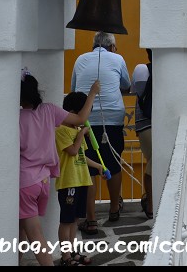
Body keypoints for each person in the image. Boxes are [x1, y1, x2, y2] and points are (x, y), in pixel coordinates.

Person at [20, 70, 98, 266]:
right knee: (22, 234)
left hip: (24, 182)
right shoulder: (49, 110)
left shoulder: (16, 118)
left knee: (35, 237)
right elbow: (80, 119)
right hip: (43, 181)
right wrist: (93, 93)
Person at [71, 31, 131, 233]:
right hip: (112, 119)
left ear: (93, 46)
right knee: (112, 163)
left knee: (88, 168)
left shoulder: (80, 60)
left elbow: (73, 88)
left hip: (84, 119)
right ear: (112, 47)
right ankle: (114, 208)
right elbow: (126, 85)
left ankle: (91, 218)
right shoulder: (118, 59)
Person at [55, 92, 108, 266]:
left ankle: (72, 251)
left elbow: (81, 156)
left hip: (81, 180)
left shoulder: (76, 130)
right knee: (66, 220)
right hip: (69, 182)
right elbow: (71, 150)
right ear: (71, 113)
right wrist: (81, 134)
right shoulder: (60, 130)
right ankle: (65, 257)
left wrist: (98, 166)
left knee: (75, 220)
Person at [132, 49, 154, 219]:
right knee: (154, 164)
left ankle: (151, 202)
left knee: (151, 162)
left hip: (144, 124)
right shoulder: (169, 71)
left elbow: (136, 91)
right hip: (158, 123)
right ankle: (152, 205)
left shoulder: (142, 70)